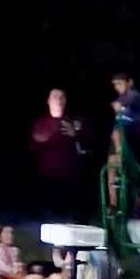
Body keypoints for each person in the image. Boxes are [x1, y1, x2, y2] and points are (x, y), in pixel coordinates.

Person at [30, 88, 87, 218]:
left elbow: (87, 146)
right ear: (49, 101)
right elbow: (32, 149)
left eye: (62, 97)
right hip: (46, 179)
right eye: (55, 97)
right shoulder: (40, 123)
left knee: (67, 217)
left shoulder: (74, 122)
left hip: (69, 180)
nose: (59, 100)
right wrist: (40, 139)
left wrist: (76, 134)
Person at [107, 70, 140, 204]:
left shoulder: (135, 95)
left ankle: (132, 175)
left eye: (120, 83)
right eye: (115, 85)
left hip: (132, 135)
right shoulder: (119, 99)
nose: (117, 87)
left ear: (129, 82)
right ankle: (113, 203)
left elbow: (131, 104)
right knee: (110, 165)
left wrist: (121, 107)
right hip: (118, 139)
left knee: (117, 134)